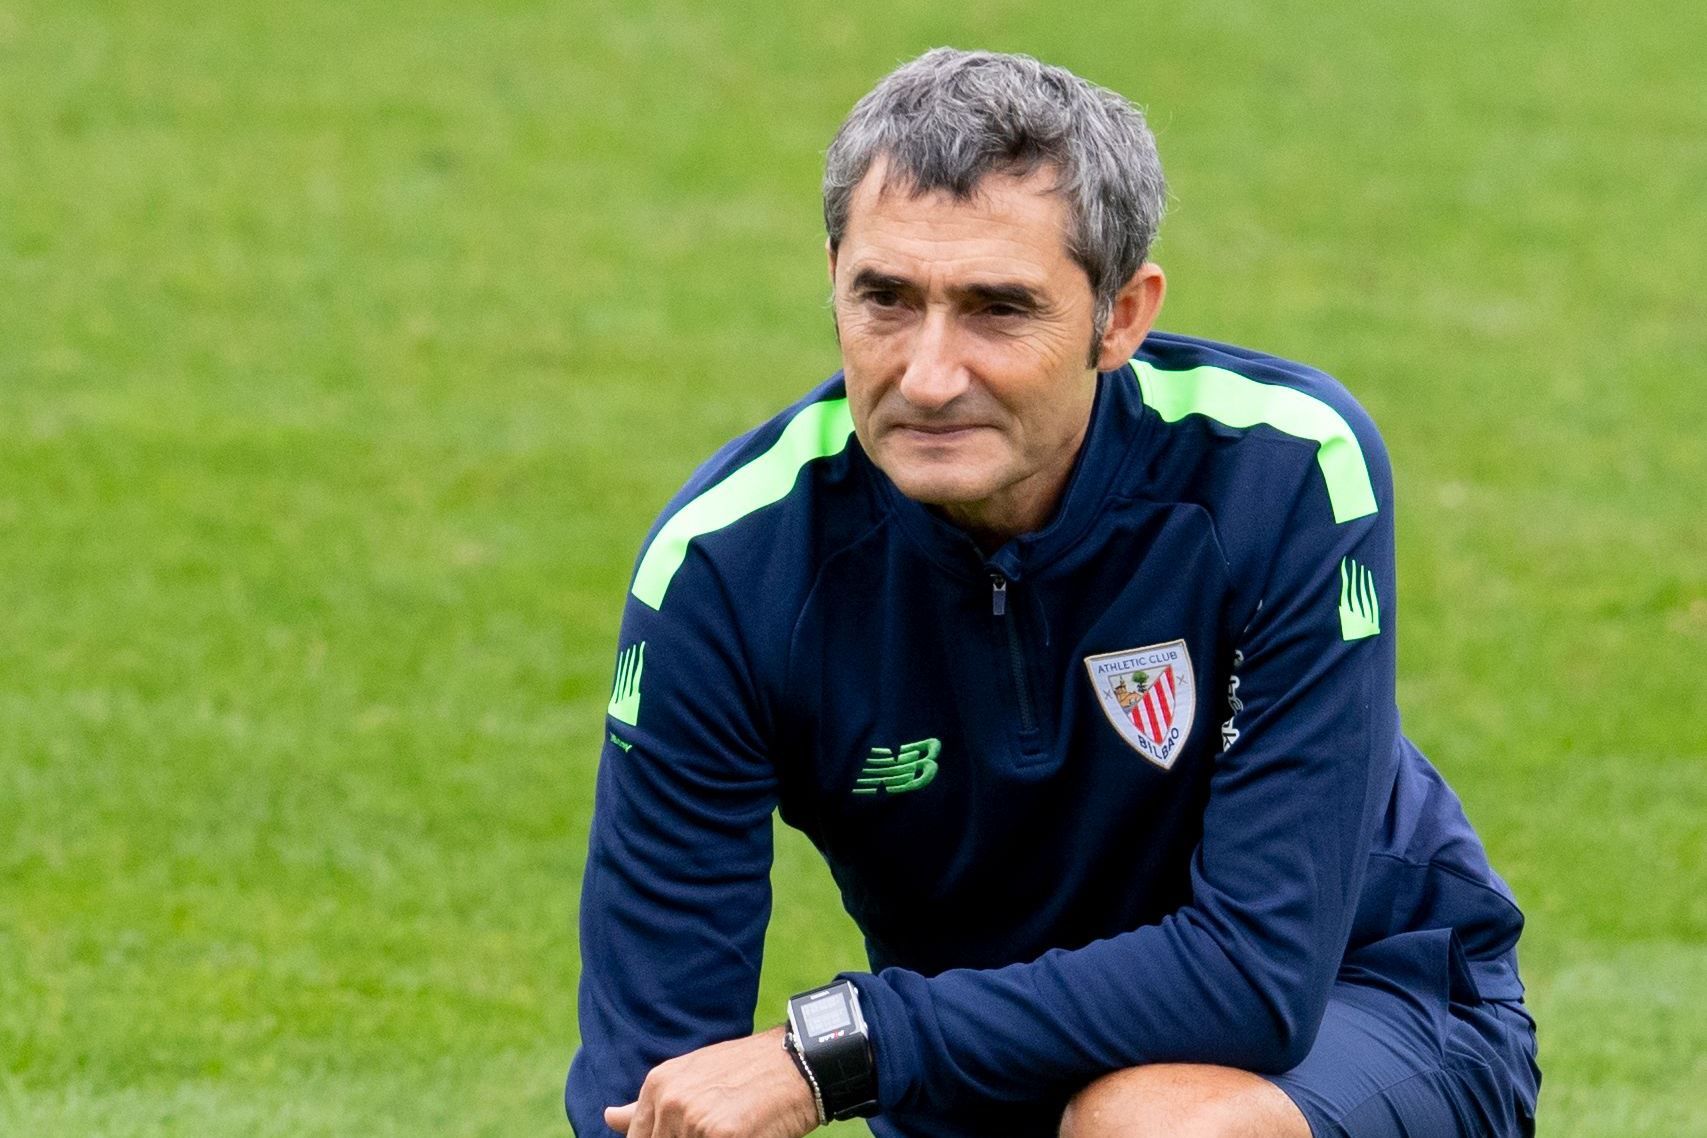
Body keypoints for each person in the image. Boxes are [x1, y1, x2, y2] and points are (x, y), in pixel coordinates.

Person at [566, 48, 1540, 1138]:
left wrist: (855, 1045)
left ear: (1119, 316)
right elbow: (649, 1078)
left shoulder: (1282, 470)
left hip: (1362, 1009)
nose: (928, 375)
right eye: (885, 299)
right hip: (979, 1082)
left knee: (1144, 1126)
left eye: (997, 309)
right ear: (831, 278)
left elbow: (1256, 974)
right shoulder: (725, 568)